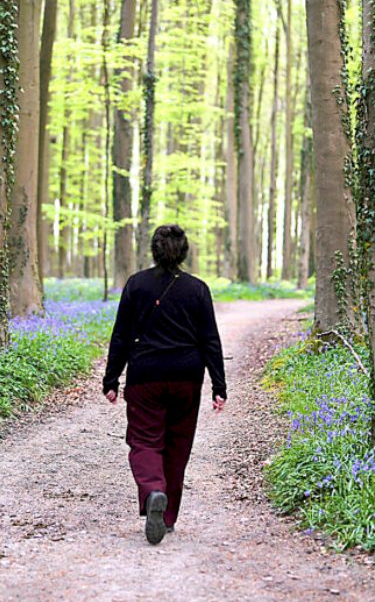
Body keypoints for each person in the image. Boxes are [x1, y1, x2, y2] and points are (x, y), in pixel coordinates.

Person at [103, 224, 225, 545]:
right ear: (184, 252)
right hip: (187, 378)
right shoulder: (197, 289)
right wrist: (219, 386)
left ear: (154, 250)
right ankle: (167, 517)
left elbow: (121, 336)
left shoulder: (135, 285)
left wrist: (111, 378)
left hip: (145, 377)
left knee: (144, 441)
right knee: (177, 446)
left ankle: (153, 490)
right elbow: (210, 340)